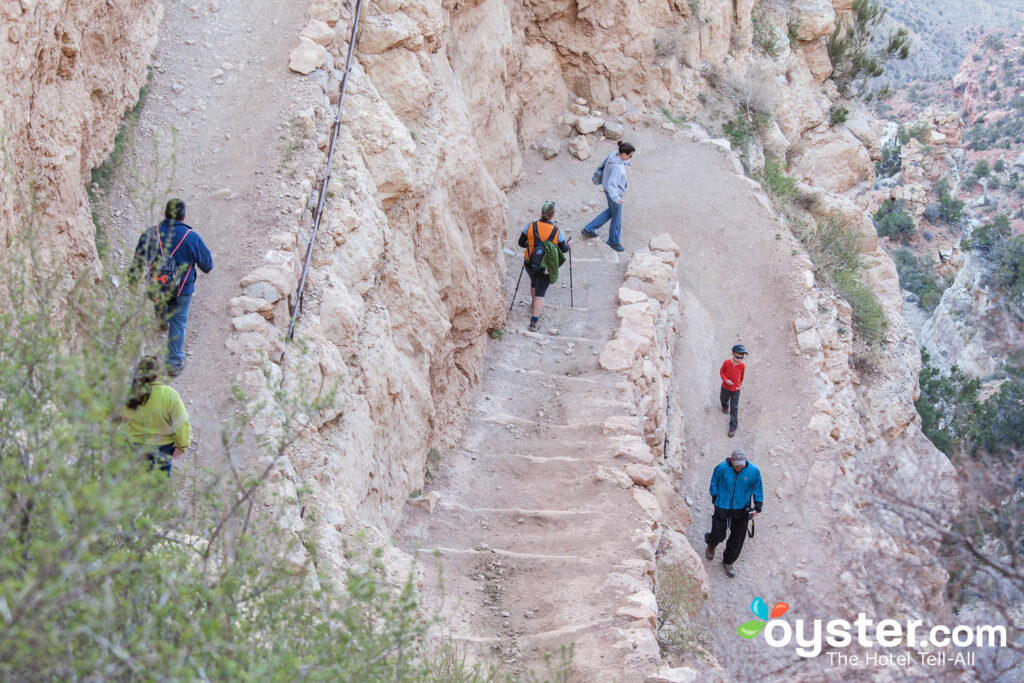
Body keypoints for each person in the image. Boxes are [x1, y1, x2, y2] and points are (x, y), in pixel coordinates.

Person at [131, 198, 214, 377]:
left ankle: (161, 320)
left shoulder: (150, 234)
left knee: (160, 299)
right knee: (179, 322)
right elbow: (207, 265)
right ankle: (174, 363)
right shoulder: (191, 237)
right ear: (183, 217)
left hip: (157, 287)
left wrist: (132, 280)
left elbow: (138, 262)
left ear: (164, 214)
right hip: (182, 290)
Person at [123, 356, 192, 477]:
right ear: (158, 373)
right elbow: (182, 422)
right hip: (162, 448)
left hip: (134, 446)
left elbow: (120, 418)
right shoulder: (169, 394)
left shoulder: (131, 394)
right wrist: (181, 446)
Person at [705, 448, 763, 578]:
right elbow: (714, 482)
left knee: (737, 538)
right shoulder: (721, 468)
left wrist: (757, 507)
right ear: (731, 460)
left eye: (741, 464)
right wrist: (715, 497)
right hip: (722, 504)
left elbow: (757, 488)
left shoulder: (754, 471)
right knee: (717, 532)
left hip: (741, 507)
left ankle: (728, 561)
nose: (739, 467)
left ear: (745, 460)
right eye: (737, 464)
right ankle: (712, 544)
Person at [517, 200, 571, 332]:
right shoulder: (558, 232)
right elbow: (564, 249)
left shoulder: (530, 225)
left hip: (530, 263)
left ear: (541, 213)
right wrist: (569, 245)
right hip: (545, 267)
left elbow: (521, 243)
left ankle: (533, 303)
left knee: (534, 282)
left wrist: (531, 246)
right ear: (553, 215)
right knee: (541, 291)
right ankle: (534, 322)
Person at [581, 141, 635, 252]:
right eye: (630, 156)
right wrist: (616, 198)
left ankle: (589, 228)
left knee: (611, 212)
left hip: (607, 190)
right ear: (624, 154)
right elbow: (612, 183)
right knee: (617, 217)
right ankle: (613, 241)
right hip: (614, 194)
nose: (630, 157)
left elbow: (615, 162)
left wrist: (625, 163)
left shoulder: (614, 155)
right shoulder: (617, 167)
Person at [720, 344, 748, 438]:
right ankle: (725, 405)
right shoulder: (726, 363)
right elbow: (721, 372)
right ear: (732, 354)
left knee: (734, 408)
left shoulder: (742, 366)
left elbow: (742, 376)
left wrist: (739, 384)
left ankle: (732, 427)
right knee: (723, 399)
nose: (739, 359)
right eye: (737, 356)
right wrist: (725, 380)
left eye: (742, 357)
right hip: (725, 386)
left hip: (736, 389)